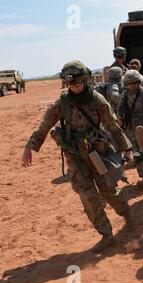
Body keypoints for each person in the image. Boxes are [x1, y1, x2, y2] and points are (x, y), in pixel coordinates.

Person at [22, 61, 134, 253]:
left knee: (107, 190)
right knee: (88, 195)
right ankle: (107, 235)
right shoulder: (62, 103)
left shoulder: (98, 101)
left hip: (97, 153)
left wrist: (127, 148)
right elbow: (45, 125)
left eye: (78, 83)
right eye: (71, 84)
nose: (75, 86)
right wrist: (29, 147)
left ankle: (125, 211)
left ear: (85, 80)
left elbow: (113, 127)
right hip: (75, 156)